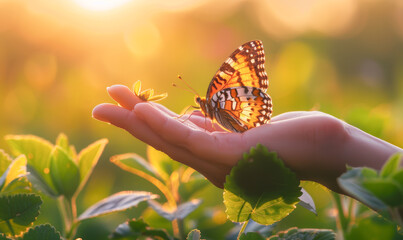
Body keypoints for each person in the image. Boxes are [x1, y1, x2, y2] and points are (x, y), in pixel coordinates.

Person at [92, 84, 403, 195]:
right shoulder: (211, 105)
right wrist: (339, 145)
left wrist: (333, 146)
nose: (202, 104)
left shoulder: (219, 99)